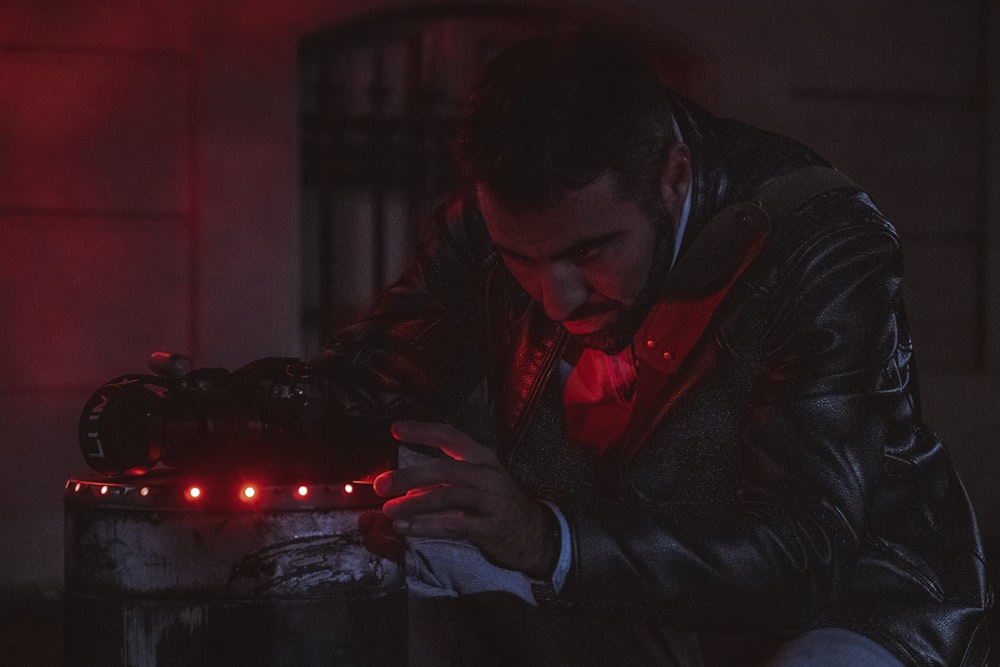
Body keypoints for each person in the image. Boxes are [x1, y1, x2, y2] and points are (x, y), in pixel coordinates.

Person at [317, 31, 991, 665]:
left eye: (592, 251)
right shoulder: (491, 226)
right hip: (612, 577)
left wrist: (545, 536)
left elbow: (802, 554)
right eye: (520, 259)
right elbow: (375, 381)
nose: (557, 298)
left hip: (853, 598)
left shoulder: (820, 245)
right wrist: (231, 415)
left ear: (672, 177)